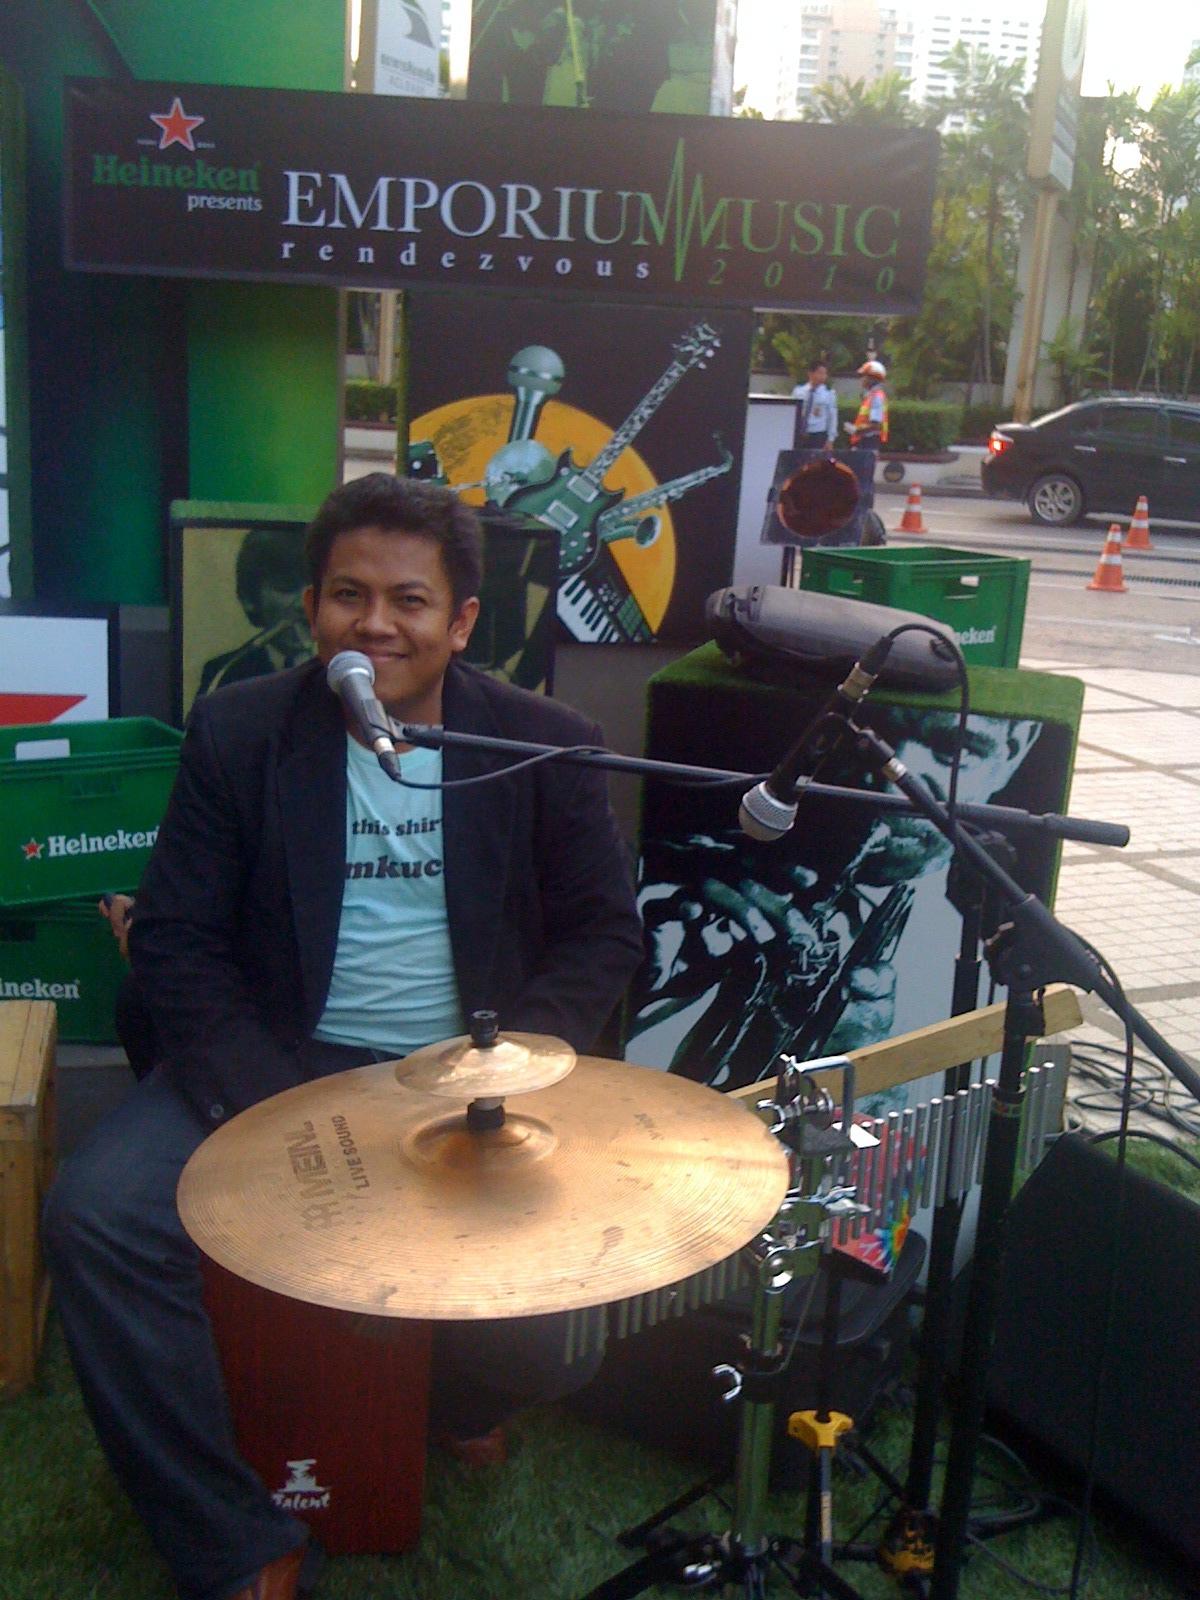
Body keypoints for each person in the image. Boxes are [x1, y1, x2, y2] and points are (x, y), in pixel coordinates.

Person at [44, 474, 644, 1600]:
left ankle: (450, 1401)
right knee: (98, 1216)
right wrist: (281, 1106)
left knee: (556, 1337)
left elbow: (604, 933)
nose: (376, 624)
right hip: (272, 1065)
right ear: (312, 608)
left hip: (468, 1079)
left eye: (409, 600)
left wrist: (509, 1071)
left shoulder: (544, 743)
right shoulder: (239, 730)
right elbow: (174, 939)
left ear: (462, 621)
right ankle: (234, 1534)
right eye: (347, 595)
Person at [626, 706, 1040, 1098]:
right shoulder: (669, 882)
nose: (887, 785)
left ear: (1014, 749)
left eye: (952, 748)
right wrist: (629, 994)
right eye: (857, 740)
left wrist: (874, 1086)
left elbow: (960, 1126)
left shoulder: (991, 974)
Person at [196, 526, 314, 698]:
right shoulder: (226, 671)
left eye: (315, 589)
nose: (304, 604)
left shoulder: (343, 668)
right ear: (250, 599)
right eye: (286, 587)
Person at [791, 358, 839, 451]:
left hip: (818, 434)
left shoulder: (828, 393)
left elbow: (832, 417)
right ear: (810, 374)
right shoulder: (798, 391)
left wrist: (830, 439)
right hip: (800, 433)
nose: (823, 376)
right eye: (820, 373)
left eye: (825, 374)